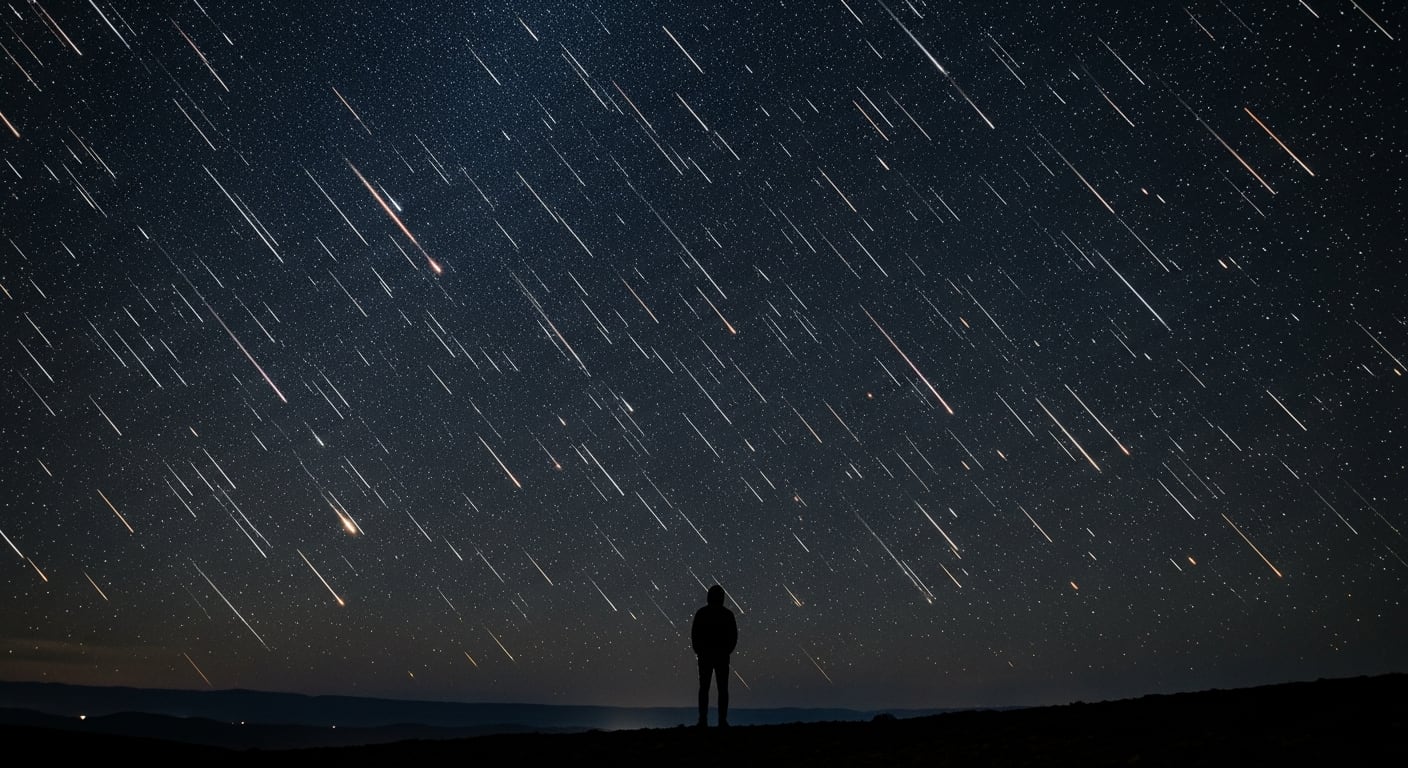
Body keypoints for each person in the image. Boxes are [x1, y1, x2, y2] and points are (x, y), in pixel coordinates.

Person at [691, 583, 737, 728]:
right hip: (718, 656)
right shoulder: (727, 615)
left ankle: (705, 720)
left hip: (709, 656)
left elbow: (695, 635)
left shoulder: (702, 614)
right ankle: (720, 721)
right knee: (720, 688)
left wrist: (700, 651)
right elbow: (733, 636)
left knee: (707, 688)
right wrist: (726, 651)